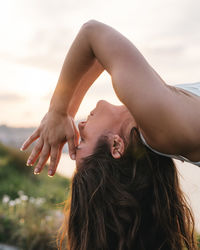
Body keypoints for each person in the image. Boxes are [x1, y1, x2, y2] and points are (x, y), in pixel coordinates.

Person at [20, 20, 200, 249]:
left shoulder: (157, 119)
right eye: (82, 140)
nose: (80, 125)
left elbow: (97, 56)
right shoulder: (163, 126)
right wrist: (58, 112)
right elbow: (93, 33)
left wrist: (62, 113)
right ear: (116, 146)